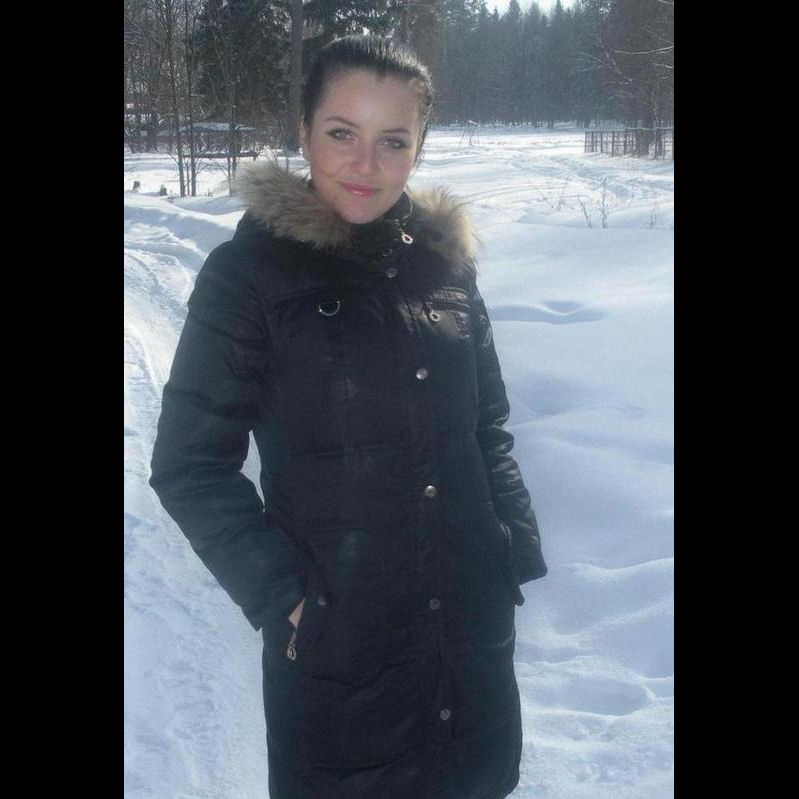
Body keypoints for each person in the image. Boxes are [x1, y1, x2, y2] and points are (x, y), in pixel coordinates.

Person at [150, 34, 547, 799]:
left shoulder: (446, 264)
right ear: (303, 133)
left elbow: (486, 424)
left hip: (468, 634)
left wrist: (507, 548)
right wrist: (286, 599)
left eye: (393, 140)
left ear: (418, 146)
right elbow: (189, 466)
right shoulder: (248, 276)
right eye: (342, 133)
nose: (366, 164)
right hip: (339, 649)